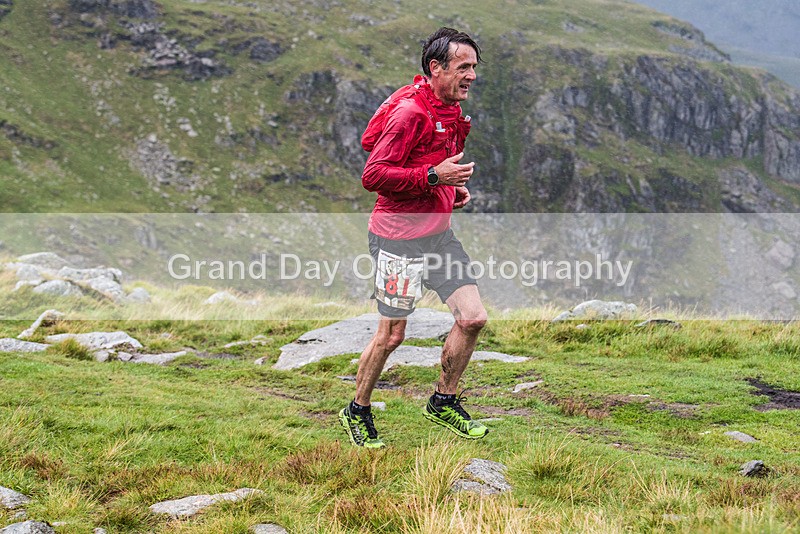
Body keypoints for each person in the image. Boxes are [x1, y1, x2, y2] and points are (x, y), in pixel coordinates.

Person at [339, 27, 489, 448]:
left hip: (438, 236)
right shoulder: (410, 114)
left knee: (473, 318)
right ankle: (358, 409)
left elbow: (436, 162)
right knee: (391, 336)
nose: (472, 76)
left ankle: (443, 400)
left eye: (475, 67)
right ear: (435, 68)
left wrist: (449, 187)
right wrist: (433, 177)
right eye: (464, 67)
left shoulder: (452, 112)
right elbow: (373, 176)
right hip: (396, 239)